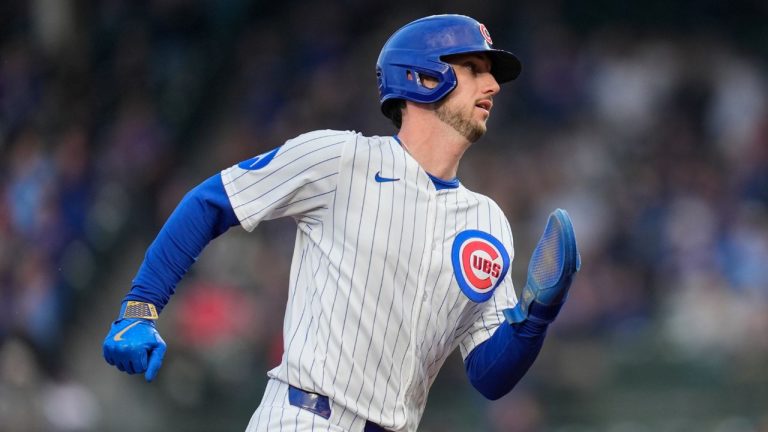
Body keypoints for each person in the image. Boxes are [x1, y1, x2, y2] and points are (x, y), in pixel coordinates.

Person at [102, 14, 581, 432]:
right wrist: (139, 307)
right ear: (422, 76)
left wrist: (536, 316)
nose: (493, 85)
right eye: (475, 69)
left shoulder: (489, 222)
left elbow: (488, 376)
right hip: (305, 418)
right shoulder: (341, 158)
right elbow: (212, 201)